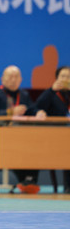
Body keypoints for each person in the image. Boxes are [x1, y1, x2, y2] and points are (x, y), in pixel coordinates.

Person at [0, 65, 46, 193]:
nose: (13, 80)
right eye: (10, 77)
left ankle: (30, 180)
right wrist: (10, 112)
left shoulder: (24, 95)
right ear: (2, 79)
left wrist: (39, 112)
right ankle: (24, 180)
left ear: (21, 80)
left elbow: (32, 109)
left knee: (33, 143)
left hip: (19, 134)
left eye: (16, 77)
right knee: (13, 144)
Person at [35, 65, 70, 193]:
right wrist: (51, 90)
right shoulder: (51, 94)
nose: (66, 79)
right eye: (63, 76)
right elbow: (37, 106)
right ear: (56, 78)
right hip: (55, 136)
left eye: (68, 77)